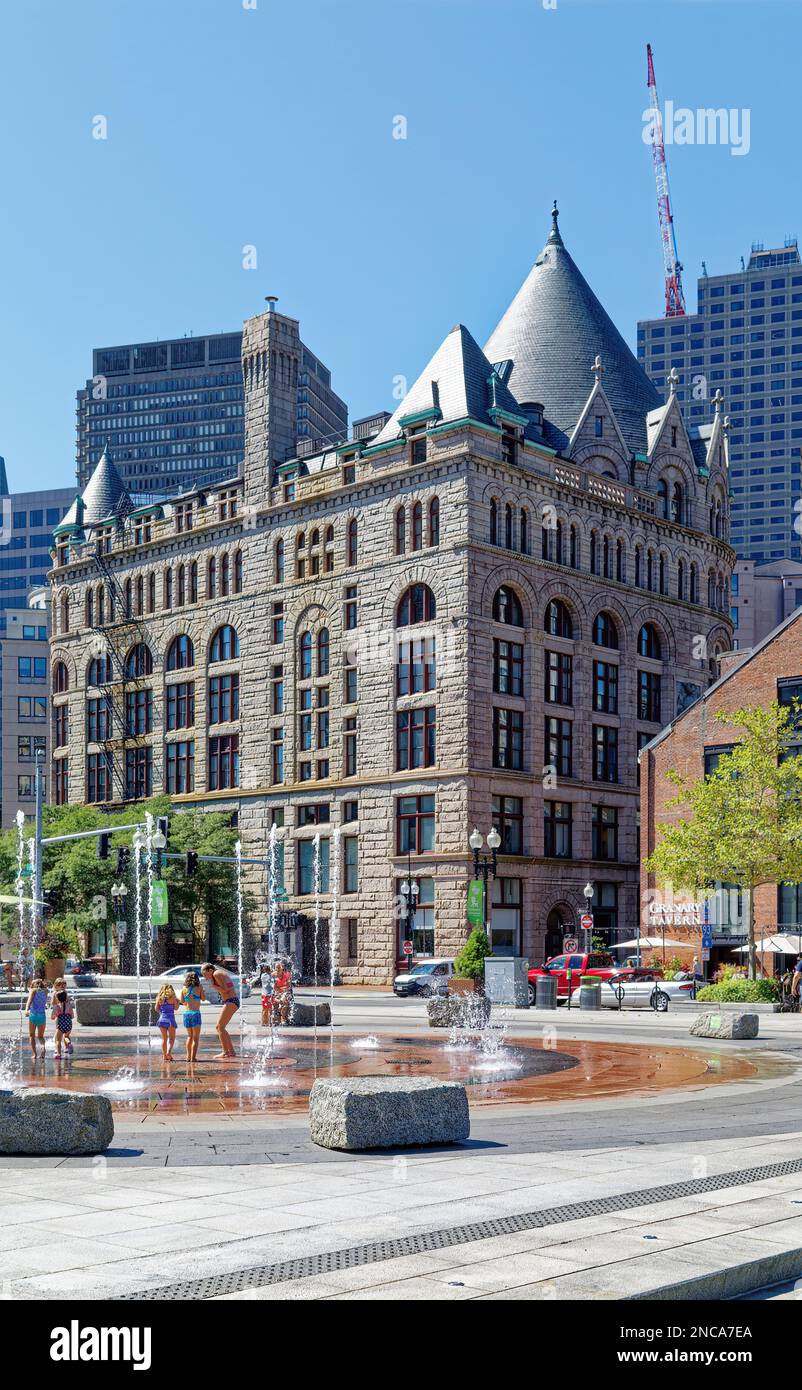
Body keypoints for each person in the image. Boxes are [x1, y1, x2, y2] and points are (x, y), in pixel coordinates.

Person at [201, 962, 239, 1058]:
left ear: (210, 970)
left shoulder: (216, 974)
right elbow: (228, 987)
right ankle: (231, 1051)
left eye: (205, 974)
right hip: (233, 1000)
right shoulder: (220, 973)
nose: (205, 978)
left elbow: (225, 990)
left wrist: (214, 986)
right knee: (221, 1027)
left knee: (219, 1027)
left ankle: (226, 1052)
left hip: (231, 1001)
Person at [180, 970, 205, 1062]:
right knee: (196, 1038)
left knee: (189, 1036)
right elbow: (203, 998)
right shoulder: (199, 987)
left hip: (187, 1014)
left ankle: (188, 1057)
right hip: (195, 1013)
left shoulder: (184, 988)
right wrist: (202, 991)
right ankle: (193, 1057)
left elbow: (182, 1001)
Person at [50, 977, 74, 1057]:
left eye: (64, 985)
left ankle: (57, 1052)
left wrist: (53, 1014)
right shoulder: (63, 994)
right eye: (61, 985)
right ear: (56, 985)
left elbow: (53, 1005)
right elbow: (71, 1011)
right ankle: (68, 1046)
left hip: (60, 1018)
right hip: (68, 1021)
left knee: (58, 1039)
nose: (63, 986)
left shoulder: (57, 995)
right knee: (66, 1036)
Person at [154, 983, 179, 1060]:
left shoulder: (159, 998)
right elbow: (176, 1008)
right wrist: (177, 1002)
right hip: (170, 1020)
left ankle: (164, 1056)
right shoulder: (173, 997)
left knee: (164, 1039)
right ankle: (168, 1052)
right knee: (172, 1038)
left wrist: (162, 1012)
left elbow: (156, 1009)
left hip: (162, 1019)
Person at [25, 977, 48, 1058]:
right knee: (41, 1036)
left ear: (35, 985)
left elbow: (29, 1001)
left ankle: (34, 1054)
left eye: (32, 983)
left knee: (31, 1035)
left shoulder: (33, 991)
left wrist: (26, 1010)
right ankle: (43, 1048)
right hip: (42, 1015)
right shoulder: (45, 991)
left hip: (33, 1015)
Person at [254, 963, 275, 1028]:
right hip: (268, 994)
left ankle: (264, 1022)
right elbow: (272, 984)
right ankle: (269, 1022)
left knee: (264, 1009)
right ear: (269, 970)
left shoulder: (263, 975)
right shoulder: (268, 976)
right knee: (270, 1009)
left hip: (264, 994)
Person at [274, 959, 293, 1026]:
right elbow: (274, 988)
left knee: (285, 1002)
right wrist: (280, 990)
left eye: (279, 968)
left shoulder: (287, 975)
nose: (277, 970)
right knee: (281, 1001)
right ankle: (280, 1018)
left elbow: (288, 987)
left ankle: (283, 1018)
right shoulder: (274, 975)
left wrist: (281, 990)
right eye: (276, 968)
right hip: (276, 994)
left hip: (285, 993)